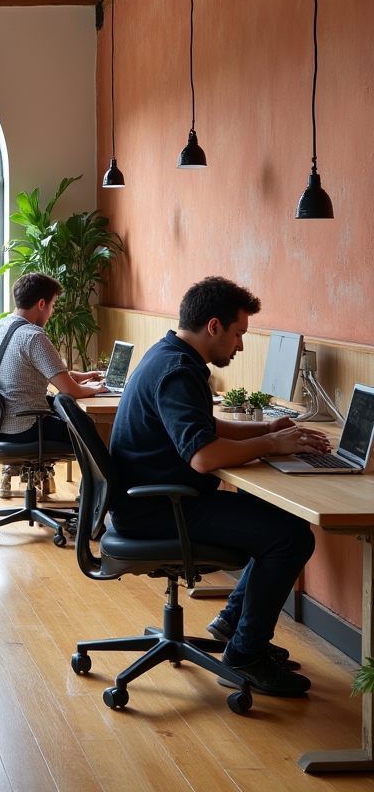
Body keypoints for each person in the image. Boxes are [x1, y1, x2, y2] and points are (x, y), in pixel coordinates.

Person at [108, 276, 329, 697]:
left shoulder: (168, 355)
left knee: (280, 520)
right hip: (161, 512)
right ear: (214, 326)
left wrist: (266, 429)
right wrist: (270, 443)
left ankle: (232, 625)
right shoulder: (178, 371)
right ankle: (246, 653)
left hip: (157, 502)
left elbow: (203, 427)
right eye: (239, 334)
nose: (241, 346)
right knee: (290, 537)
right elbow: (204, 456)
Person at [0, 272, 108, 498]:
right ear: (41, 304)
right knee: (93, 431)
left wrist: (76, 375)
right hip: (28, 429)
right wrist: (98, 388)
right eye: (51, 306)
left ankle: (92, 496)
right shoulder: (33, 336)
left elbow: (23, 372)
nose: (51, 313)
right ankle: (94, 499)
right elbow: (70, 391)